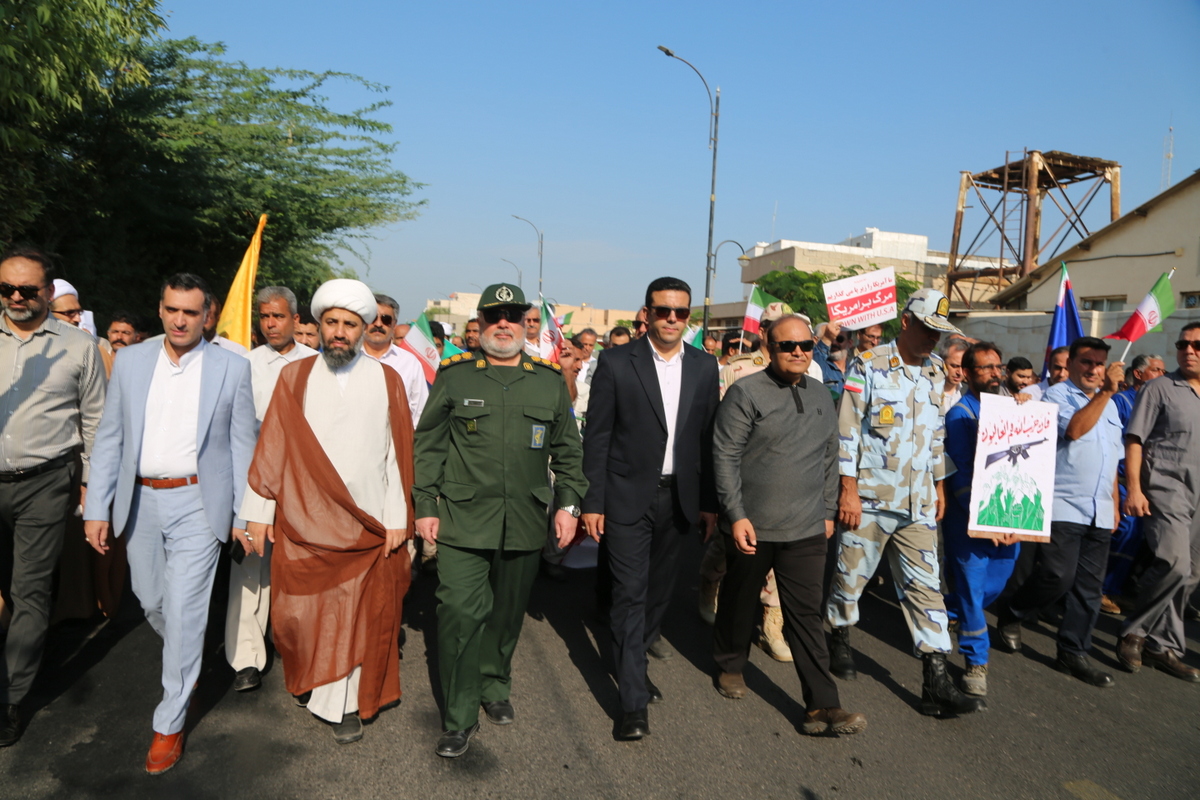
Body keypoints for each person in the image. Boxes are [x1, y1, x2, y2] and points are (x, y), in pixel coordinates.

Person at [83, 273, 255, 774]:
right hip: (139, 502)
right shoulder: (131, 360)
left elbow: (244, 444)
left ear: (208, 315)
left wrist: (245, 514)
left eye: (191, 311)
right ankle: (187, 655)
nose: (181, 320)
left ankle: (169, 722)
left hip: (200, 503)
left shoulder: (232, 367)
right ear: (160, 310)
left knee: (182, 608)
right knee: (153, 600)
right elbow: (111, 436)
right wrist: (97, 506)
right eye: (172, 309)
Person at [413, 283, 585, 758]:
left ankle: (494, 682)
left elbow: (569, 450)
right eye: (494, 317)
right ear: (482, 324)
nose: (503, 324)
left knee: (507, 615)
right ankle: (459, 715)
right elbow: (428, 444)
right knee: (460, 614)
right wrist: (425, 505)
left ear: (527, 324)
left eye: (513, 316)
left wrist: (568, 506)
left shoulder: (548, 380)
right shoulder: (455, 376)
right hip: (463, 519)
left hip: (525, 519)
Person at [241, 278, 414, 744]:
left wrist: (399, 517)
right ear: (317, 325)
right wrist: (259, 512)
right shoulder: (293, 377)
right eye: (331, 322)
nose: (339, 332)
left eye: (349, 324)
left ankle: (344, 703)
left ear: (364, 329)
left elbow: (399, 454)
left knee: (356, 613)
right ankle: (312, 674)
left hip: (368, 521)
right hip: (302, 521)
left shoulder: (388, 379)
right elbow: (271, 450)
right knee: (299, 615)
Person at [826, 289, 984, 717]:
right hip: (872, 497)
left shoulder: (935, 372)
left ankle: (935, 679)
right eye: (929, 329)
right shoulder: (869, 363)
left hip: (917, 503)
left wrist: (939, 487)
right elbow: (848, 430)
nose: (934, 339)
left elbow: (935, 436)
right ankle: (839, 634)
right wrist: (848, 489)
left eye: (941, 332)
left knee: (926, 588)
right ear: (906, 322)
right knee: (851, 576)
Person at [711, 314, 866, 734]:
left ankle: (823, 705)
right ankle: (729, 664)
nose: (797, 352)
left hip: (807, 528)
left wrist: (829, 511)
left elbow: (830, 456)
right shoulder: (746, 392)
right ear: (769, 347)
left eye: (804, 345)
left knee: (804, 616)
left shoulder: (819, 393)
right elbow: (724, 456)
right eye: (787, 346)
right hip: (752, 527)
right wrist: (736, 514)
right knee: (740, 602)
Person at [582, 276, 720, 740]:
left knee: (660, 592)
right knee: (629, 593)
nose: (672, 320)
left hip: (679, 499)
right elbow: (597, 436)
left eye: (681, 313)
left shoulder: (705, 366)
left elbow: (706, 440)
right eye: (663, 311)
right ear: (647, 314)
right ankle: (633, 702)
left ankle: (633, 664)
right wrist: (592, 500)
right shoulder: (616, 362)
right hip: (625, 496)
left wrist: (708, 504)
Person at [0, 247, 106, 748]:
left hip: (46, 482)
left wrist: (90, 485)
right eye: (6, 290)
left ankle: (11, 698)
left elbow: (95, 422)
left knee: (30, 590)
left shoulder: (78, 346)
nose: (16, 298)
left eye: (26, 290)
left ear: (47, 291)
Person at [997, 337, 1123, 688]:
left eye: (1099, 363)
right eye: (1087, 362)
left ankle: (1073, 651)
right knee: (1057, 576)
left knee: (1089, 589)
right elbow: (1076, 429)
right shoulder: (1056, 396)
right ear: (1072, 365)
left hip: (1100, 508)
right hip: (1063, 504)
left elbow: (1111, 459)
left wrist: (1112, 503)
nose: (1094, 369)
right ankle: (1013, 610)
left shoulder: (1111, 406)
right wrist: (1105, 393)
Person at [225, 287, 317, 694]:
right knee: (249, 566)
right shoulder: (242, 364)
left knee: (300, 570)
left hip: (302, 481)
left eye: (278, 316)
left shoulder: (317, 365)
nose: (270, 324)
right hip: (256, 477)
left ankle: (301, 652)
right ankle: (246, 659)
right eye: (264, 317)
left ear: (295, 319)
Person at [1115, 326, 1200, 682]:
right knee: (1174, 563)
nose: (1188, 350)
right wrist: (1134, 488)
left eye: (1196, 345)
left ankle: (1162, 644)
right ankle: (1133, 631)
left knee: (1192, 574)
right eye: (1183, 344)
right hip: (1167, 489)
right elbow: (1134, 440)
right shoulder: (1159, 388)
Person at [942, 342, 1023, 697]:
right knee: (974, 592)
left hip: (1010, 519)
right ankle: (976, 661)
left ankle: (944, 610)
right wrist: (987, 519)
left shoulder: (1013, 410)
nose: (995, 373)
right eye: (986, 368)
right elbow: (959, 472)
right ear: (970, 374)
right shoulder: (960, 414)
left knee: (995, 585)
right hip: (970, 521)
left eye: (998, 367)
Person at [1101, 353, 1166, 613]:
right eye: (1157, 370)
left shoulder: (1156, 402)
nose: (1162, 375)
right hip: (1120, 480)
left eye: (1163, 370)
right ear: (1138, 374)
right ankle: (1102, 589)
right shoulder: (1121, 401)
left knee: (1139, 536)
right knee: (1123, 530)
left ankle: (1118, 587)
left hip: (1145, 482)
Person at [363, 294, 429, 425]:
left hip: (397, 441)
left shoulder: (410, 363)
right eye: (372, 318)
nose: (378, 324)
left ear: (394, 325)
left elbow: (420, 412)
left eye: (386, 319)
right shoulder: (349, 358)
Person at [940, 338, 968, 413]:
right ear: (942, 362)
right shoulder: (928, 389)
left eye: (963, 367)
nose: (959, 372)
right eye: (955, 366)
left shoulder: (968, 393)